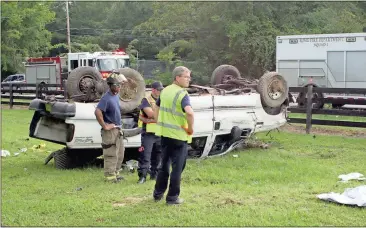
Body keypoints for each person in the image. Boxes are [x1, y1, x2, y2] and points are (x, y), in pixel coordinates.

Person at [152, 66, 194, 205]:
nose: (189, 79)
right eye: (186, 77)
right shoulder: (182, 94)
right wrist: (190, 128)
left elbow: (156, 106)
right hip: (179, 136)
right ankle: (172, 198)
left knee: (164, 165)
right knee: (177, 168)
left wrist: (158, 120)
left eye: (189, 77)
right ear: (177, 78)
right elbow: (189, 112)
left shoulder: (165, 91)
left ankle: (158, 194)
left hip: (165, 134)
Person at [94, 72, 127, 183]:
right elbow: (98, 111)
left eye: (120, 85)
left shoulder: (115, 95)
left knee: (120, 153)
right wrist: (105, 126)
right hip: (110, 131)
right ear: (111, 85)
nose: (119, 87)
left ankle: (116, 174)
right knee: (111, 154)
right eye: (117, 85)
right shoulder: (106, 98)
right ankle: (110, 177)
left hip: (118, 129)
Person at [136, 81, 164, 184]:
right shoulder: (146, 100)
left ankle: (154, 175)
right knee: (145, 155)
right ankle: (142, 176)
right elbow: (151, 114)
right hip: (148, 133)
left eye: (161, 90)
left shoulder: (163, 100)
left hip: (159, 132)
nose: (160, 92)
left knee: (158, 155)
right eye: (158, 90)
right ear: (153, 90)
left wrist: (155, 118)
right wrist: (160, 117)